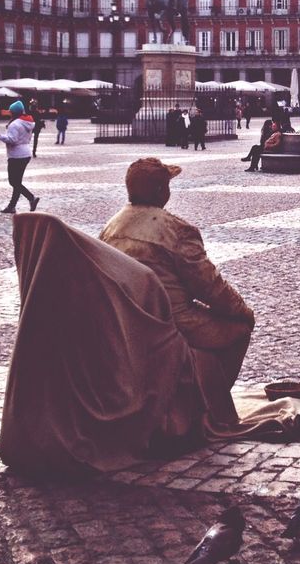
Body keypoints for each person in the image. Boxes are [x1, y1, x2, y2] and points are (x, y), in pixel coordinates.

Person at [100, 158, 254, 428]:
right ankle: (206, 410)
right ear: (162, 192)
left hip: (124, 320)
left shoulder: (110, 227)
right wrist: (243, 311)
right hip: (172, 321)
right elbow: (210, 286)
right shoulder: (177, 231)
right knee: (239, 328)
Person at [0, 100, 40, 214]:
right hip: (26, 153)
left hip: (16, 155)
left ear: (14, 112)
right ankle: (12, 206)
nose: (9, 113)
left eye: (10, 112)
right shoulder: (27, 122)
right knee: (17, 182)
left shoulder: (15, 124)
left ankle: (31, 198)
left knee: (13, 182)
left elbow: (12, 140)